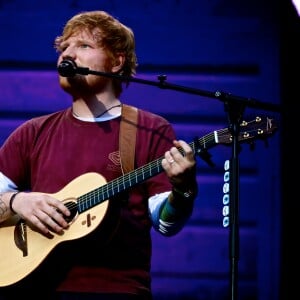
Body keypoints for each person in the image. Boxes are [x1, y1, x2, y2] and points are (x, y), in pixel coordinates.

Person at [0, 10, 198, 300]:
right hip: (36, 287)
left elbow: (166, 223)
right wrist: (18, 201)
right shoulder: (33, 132)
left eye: (83, 46)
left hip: (118, 291)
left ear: (117, 62)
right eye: (64, 47)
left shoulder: (150, 129)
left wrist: (183, 190)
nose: (67, 54)